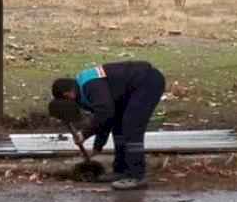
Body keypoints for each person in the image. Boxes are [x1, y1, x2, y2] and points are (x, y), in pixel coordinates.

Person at [51, 60, 165, 190]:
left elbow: (105, 113)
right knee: (119, 126)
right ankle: (121, 171)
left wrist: (84, 134)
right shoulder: (82, 89)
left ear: (68, 95)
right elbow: (107, 119)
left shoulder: (90, 86)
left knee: (131, 127)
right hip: (131, 90)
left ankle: (137, 177)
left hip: (146, 82)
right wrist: (97, 147)